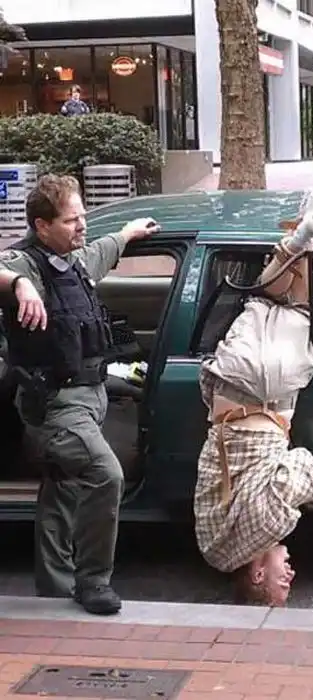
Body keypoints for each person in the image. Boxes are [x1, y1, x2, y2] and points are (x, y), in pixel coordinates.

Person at [0, 174, 160, 614]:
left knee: (64, 487)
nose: (82, 226)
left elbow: (101, 250)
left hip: (89, 397)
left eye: (83, 217)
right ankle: (93, 582)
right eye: (72, 220)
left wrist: (127, 233)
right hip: (56, 407)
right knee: (106, 475)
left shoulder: (72, 261)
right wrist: (18, 285)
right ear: (42, 225)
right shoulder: (26, 264)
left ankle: (54, 589)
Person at [194, 190, 313, 607]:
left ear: (257, 575)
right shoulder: (211, 546)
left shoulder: (273, 523)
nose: (291, 574)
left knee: (298, 309)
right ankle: (300, 237)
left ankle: (307, 234)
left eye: (281, 583)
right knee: (265, 299)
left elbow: (301, 465)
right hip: (232, 389)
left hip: (275, 398)